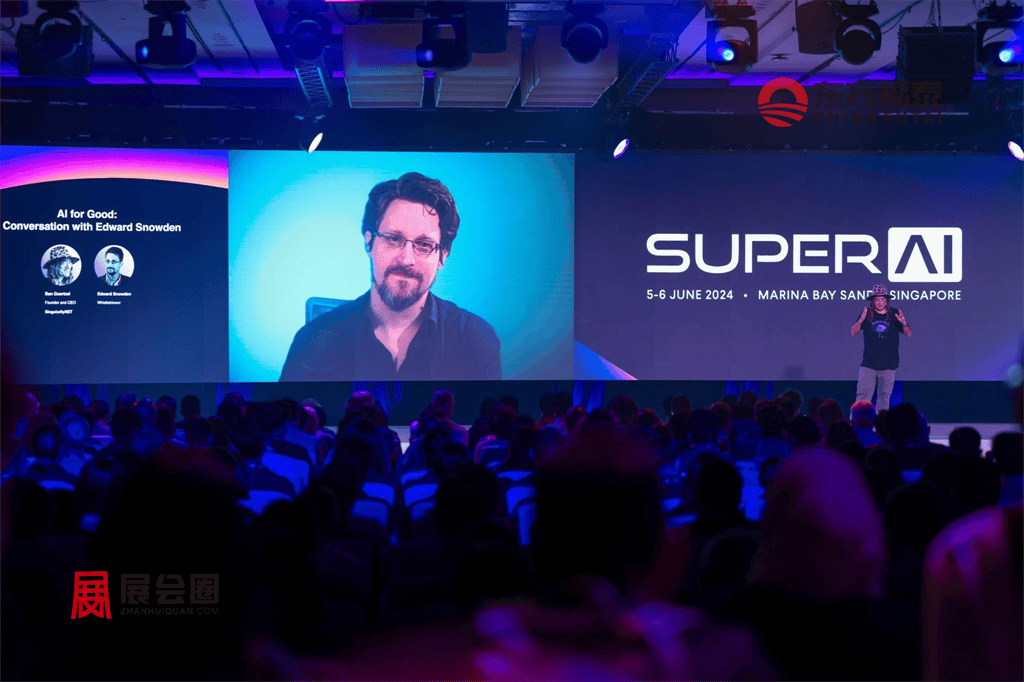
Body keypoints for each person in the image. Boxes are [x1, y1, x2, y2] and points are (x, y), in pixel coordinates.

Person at [279, 172, 501, 381]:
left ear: (442, 256)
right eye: (394, 239)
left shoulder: (475, 340)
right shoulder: (312, 340)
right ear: (369, 242)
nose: (406, 259)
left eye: (424, 245)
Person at [851, 284, 911, 411]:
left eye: (882, 299)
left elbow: (908, 333)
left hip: (889, 365)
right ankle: (858, 421)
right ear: (873, 301)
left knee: (884, 399)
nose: (880, 302)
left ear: (886, 300)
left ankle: (881, 423)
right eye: (877, 299)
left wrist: (904, 323)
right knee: (862, 399)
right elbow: (853, 332)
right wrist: (860, 320)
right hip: (869, 364)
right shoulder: (867, 313)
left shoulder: (894, 314)